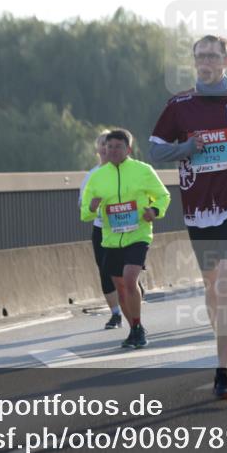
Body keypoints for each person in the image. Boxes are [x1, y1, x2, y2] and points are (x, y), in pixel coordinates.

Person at [149, 34, 227, 399]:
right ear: (194, 62)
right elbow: (156, 152)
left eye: (212, 55)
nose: (205, 61)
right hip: (200, 205)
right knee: (210, 287)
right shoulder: (179, 105)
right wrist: (187, 147)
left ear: (226, 62)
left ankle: (222, 373)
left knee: (223, 281)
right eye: (200, 55)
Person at [81, 129, 170, 348]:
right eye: (108, 147)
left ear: (128, 149)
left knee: (130, 279)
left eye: (117, 147)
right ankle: (135, 329)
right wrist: (91, 208)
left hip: (138, 234)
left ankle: (137, 326)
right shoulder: (97, 177)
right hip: (111, 239)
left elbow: (163, 196)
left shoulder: (143, 171)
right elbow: (85, 212)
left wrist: (155, 211)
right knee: (120, 286)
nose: (112, 150)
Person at [80, 131, 125, 329]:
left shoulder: (127, 171)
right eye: (102, 146)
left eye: (110, 145)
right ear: (98, 150)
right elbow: (83, 205)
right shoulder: (92, 176)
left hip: (126, 228)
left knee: (125, 272)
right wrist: (92, 206)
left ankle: (131, 294)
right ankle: (116, 314)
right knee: (105, 271)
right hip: (101, 229)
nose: (106, 150)